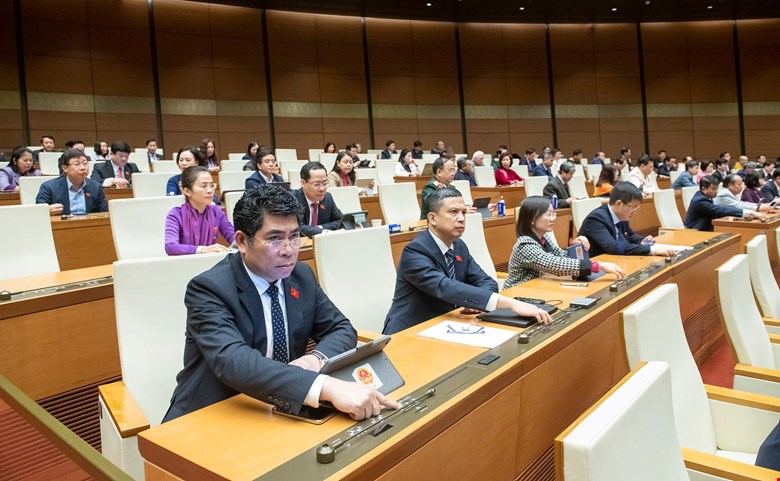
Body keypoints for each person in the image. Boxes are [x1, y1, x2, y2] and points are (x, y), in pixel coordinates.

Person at [162, 185, 400, 422]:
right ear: (243, 241)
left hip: (279, 406)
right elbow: (233, 360)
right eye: (275, 239)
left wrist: (314, 359)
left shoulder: (300, 276)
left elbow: (341, 329)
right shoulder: (209, 289)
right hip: (213, 413)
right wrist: (324, 386)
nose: (289, 251)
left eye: (294, 236)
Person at [382, 188, 553, 334]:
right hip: (411, 330)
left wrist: (477, 303)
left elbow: (487, 281)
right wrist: (509, 303)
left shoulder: (459, 246)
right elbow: (445, 287)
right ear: (433, 218)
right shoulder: (415, 251)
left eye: (464, 212)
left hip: (448, 325)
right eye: (453, 212)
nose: (462, 218)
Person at [504, 196, 624, 288]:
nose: (553, 218)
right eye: (548, 214)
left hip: (537, 289)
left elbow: (561, 255)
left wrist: (575, 247)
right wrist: (598, 266)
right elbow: (555, 264)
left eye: (553, 213)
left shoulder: (544, 237)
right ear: (531, 219)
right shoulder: (525, 245)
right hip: (517, 294)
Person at [578, 182, 677, 257]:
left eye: (637, 207)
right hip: (596, 269)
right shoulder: (596, 219)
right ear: (619, 204)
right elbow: (613, 247)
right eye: (633, 206)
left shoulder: (621, 215)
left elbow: (630, 236)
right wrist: (651, 250)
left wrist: (643, 241)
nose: (635, 211)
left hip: (616, 261)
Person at [164, 166, 234, 256]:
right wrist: (202, 249)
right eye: (203, 186)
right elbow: (170, 247)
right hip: (184, 265)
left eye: (212, 185)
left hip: (211, 263)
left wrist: (240, 243)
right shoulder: (176, 214)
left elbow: (233, 236)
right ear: (187, 191)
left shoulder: (216, 211)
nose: (210, 190)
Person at [36, 149, 107, 215]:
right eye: (77, 164)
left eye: (85, 163)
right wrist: (47, 211)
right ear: (65, 168)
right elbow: (37, 212)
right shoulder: (49, 187)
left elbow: (105, 213)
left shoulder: (96, 187)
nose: (82, 168)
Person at [685, 175, 765, 231]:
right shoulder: (700, 200)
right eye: (713, 189)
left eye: (716, 189)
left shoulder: (704, 195)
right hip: (695, 230)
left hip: (707, 227)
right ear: (704, 189)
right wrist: (747, 212)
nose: (716, 192)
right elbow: (720, 210)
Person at [293, 162, 343, 237]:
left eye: (325, 183)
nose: (322, 189)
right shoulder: (293, 199)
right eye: (316, 184)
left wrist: (320, 228)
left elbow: (340, 221)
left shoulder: (327, 198)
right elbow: (296, 227)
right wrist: (323, 232)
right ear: (303, 183)